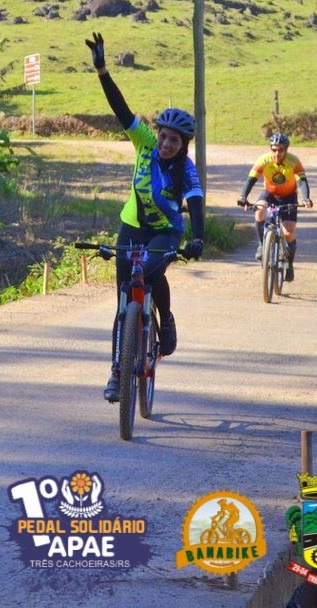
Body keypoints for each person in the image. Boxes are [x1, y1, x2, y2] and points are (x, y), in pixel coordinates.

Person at [85, 32, 205, 402]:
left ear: (183, 145)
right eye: (164, 136)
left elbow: (196, 202)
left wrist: (198, 237)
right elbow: (120, 109)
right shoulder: (144, 143)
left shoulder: (186, 170)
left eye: (174, 141)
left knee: (152, 272)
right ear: (157, 134)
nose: (166, 144)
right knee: (124, 300)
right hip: (132, 227)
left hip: (165, 233)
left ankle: (165, 320)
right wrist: (102, 70)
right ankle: (116, 372)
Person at [236, 132, 312, 282]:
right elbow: (251, 179)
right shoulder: (264, 160)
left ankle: (289, 265)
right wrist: (243, 197)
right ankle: (261, 245)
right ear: (270, 148)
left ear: (286, 149)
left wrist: (306, 198)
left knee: (288, 234)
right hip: (269, 194)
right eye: (274, 149)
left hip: (289, 196)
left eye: (281, 150)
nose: (277, 153)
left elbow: (302, 181)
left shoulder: (293, 161)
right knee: (259, 210)